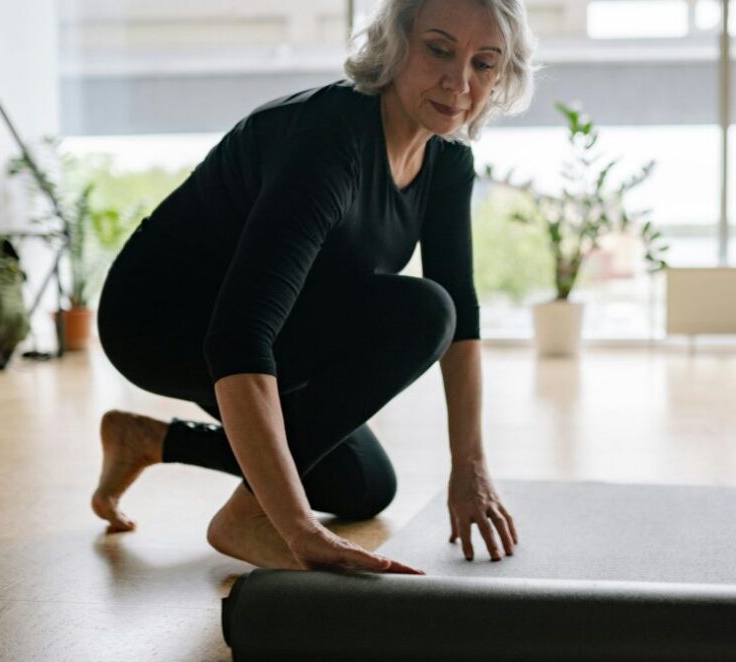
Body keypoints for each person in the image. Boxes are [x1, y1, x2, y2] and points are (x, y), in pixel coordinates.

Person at [91, 0, 537, 576]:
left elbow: (466, 319)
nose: (460, 82)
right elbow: (238, 335)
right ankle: (244, 519)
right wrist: (292, 527)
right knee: (423, 312)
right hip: (161, 319)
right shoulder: (329, 140)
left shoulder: (446, 154)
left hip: (273, 323)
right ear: (397, 43)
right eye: (439, 49)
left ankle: (148, 441)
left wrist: (469, 467)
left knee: (362, 486)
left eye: (485, 63)